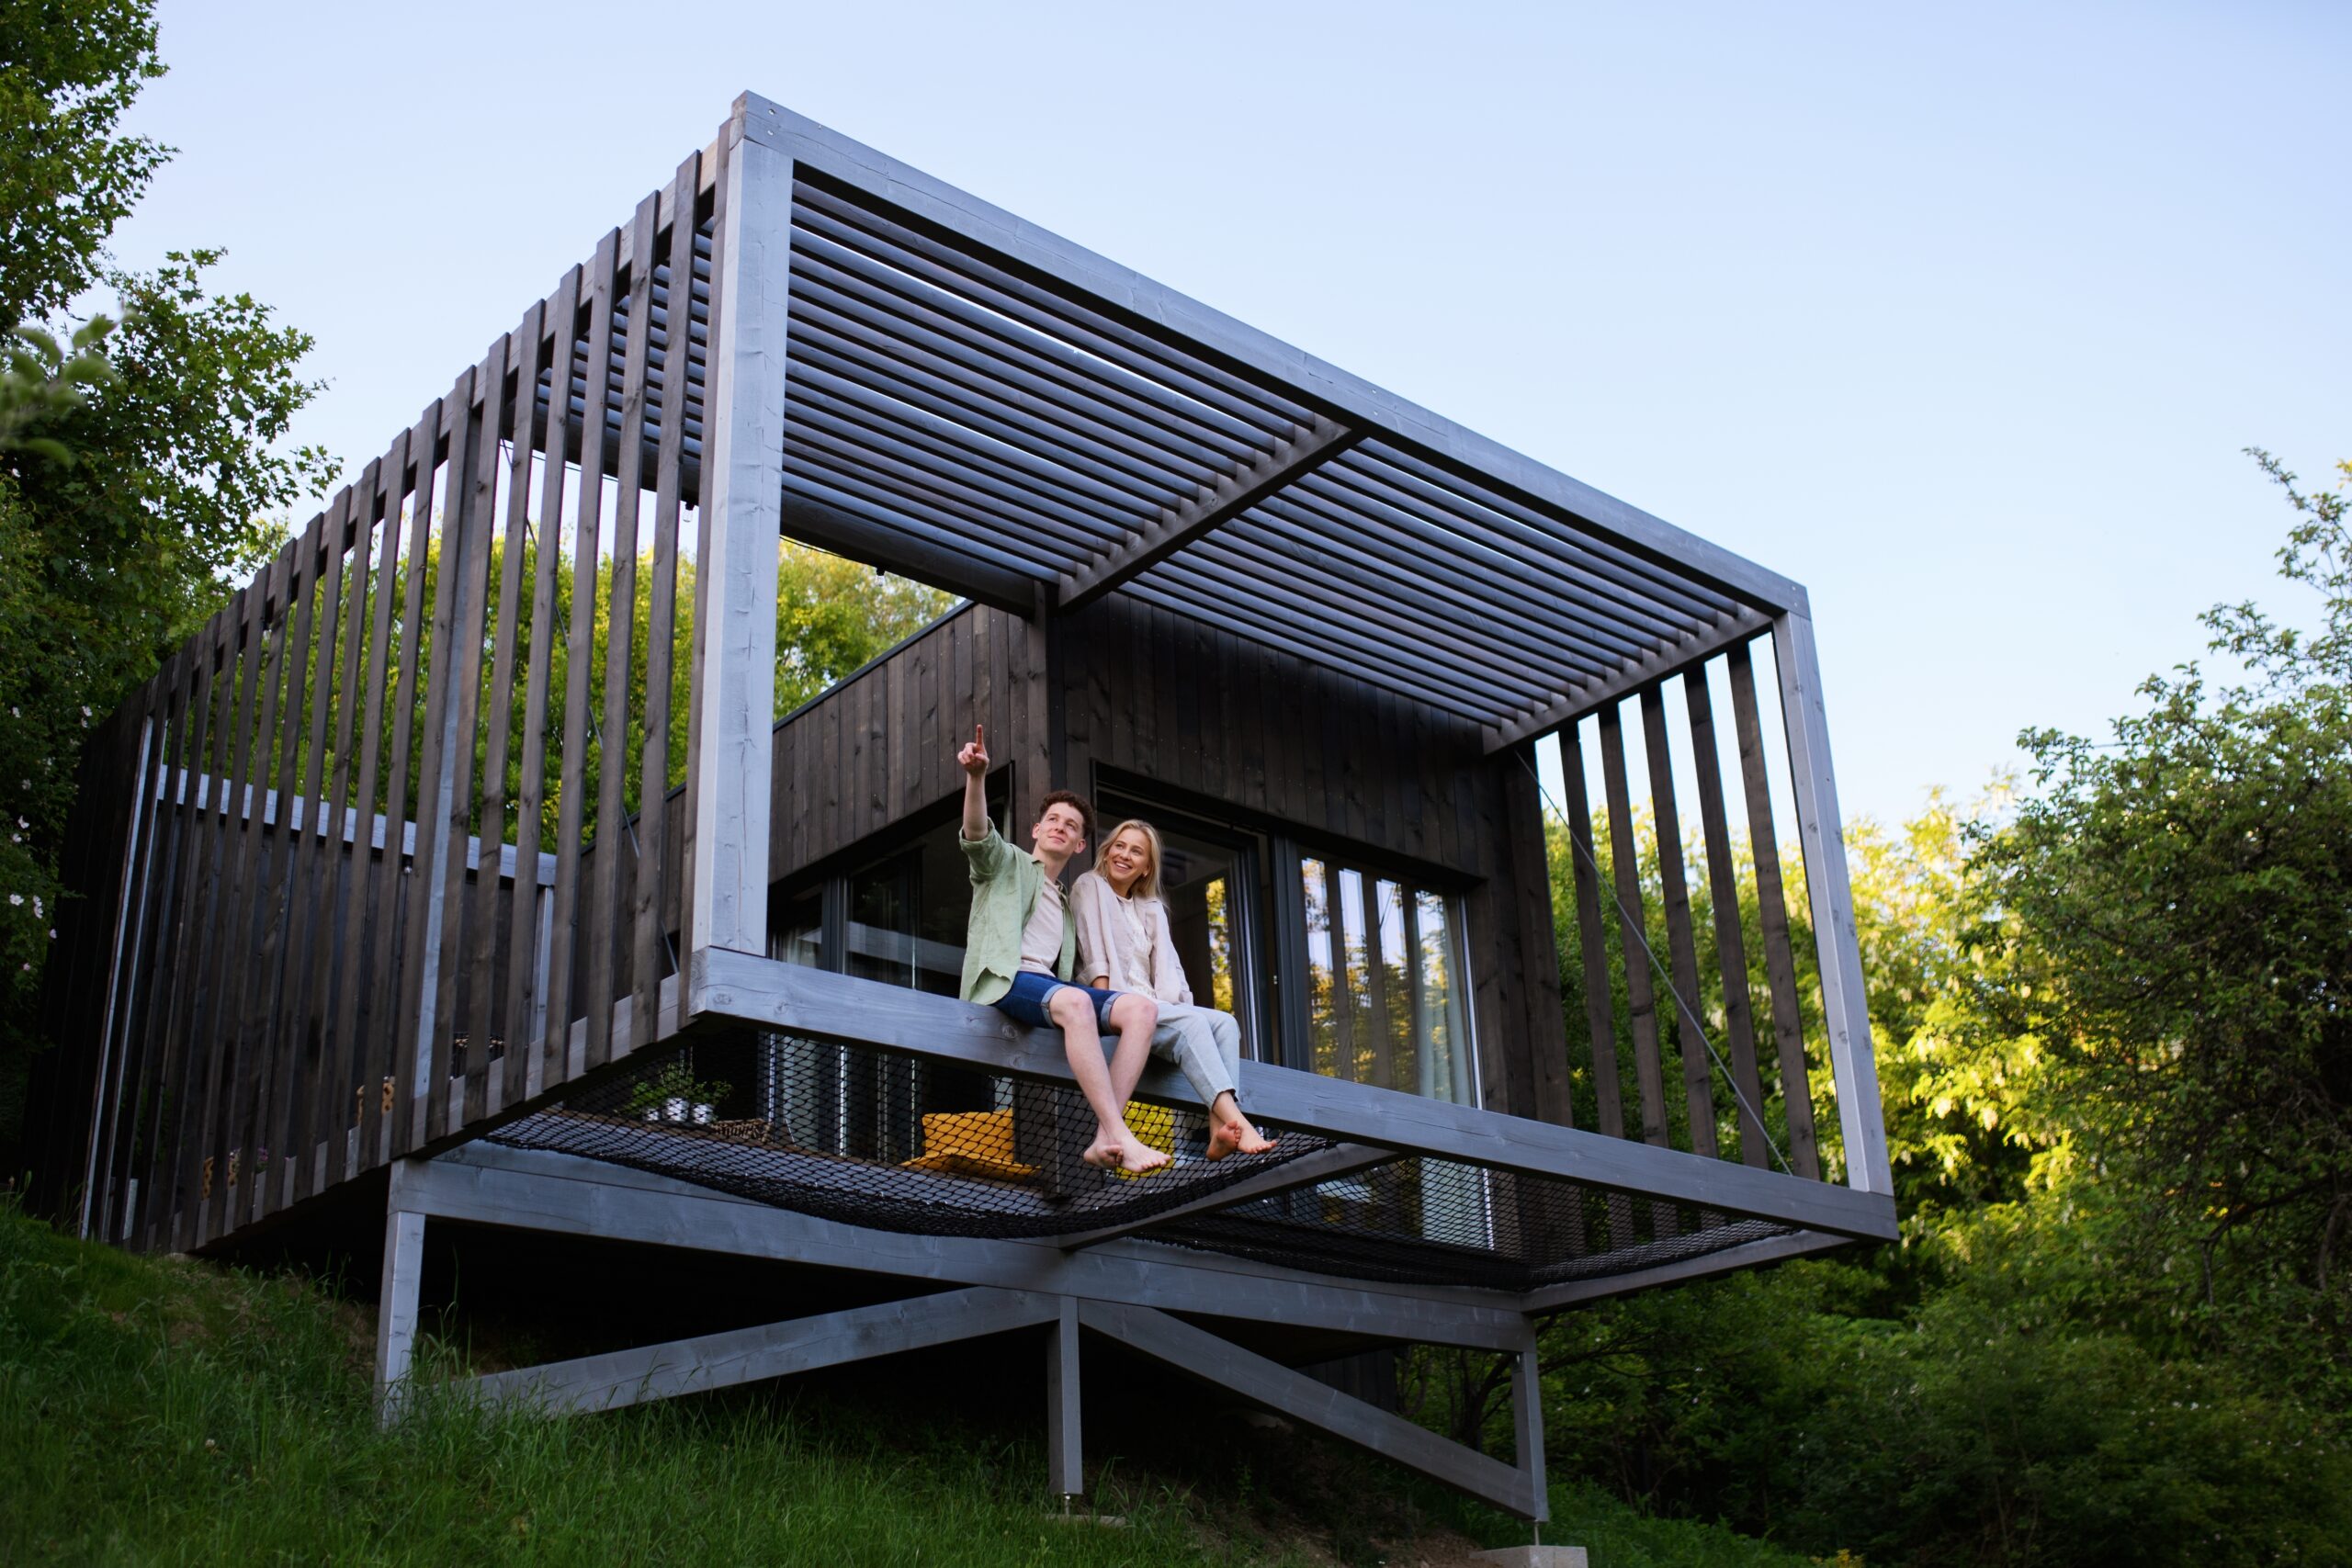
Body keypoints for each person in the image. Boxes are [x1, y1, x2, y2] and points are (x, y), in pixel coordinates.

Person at [955, 724, 1169, 1176]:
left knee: (1140, 1012)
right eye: (1052, 819)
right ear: (1037, 828)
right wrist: (976, 778)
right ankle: (1119, 1132)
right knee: (1072, 1000)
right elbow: (977, 833)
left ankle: (1102, 1137)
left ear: (1080, 844)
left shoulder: (1069, 904)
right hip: (1004, 981)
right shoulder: (1005, 864)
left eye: (1070, 825)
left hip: (1048, 992)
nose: (1060, 827)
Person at [1072, 819, 1275, 1161]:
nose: (1124, 855)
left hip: (1155, 1006)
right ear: (1107, 852)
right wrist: (1105, 1009)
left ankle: (1217, 1132)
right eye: (1119, 846)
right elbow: (1093, 953)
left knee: (1225, 1024)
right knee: (1193, 1026)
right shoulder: (1089, 885)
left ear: (1147, 866)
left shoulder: (1150, 908)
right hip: (1119, 1004)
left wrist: (1186, 1008)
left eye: (1136, 851)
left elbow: (1172, 971)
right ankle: (1239, 1120)